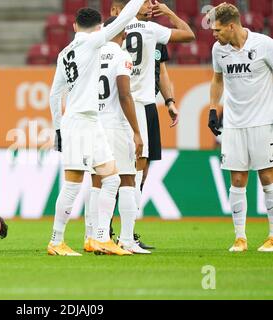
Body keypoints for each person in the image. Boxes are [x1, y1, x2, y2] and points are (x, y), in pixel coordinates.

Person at [48, 0, 145, 256]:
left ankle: (99, 237)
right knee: (73, 183)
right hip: (80, 122)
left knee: (111, 178)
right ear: (100, 27)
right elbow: (124, 20)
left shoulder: (64, 53)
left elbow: (54, 94)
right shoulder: (92, 42)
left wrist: (58, 128)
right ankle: (56, 241)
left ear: (73, 25)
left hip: (89, 122)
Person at [110, 0, 194, 247]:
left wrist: (169, 100)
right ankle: (124, 235)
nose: (151, 6)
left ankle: (118, 232)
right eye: (146, 2)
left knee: (131, 174)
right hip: (139, 105)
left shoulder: (109, 32)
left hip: (128, 105)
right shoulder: (152, 29)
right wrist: (168, 12)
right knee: (133, 174)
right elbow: (189, 35)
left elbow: (161, 70)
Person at [208, 3, 273, 252]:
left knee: (267, 176)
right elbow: (217, 78)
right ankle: (240, 238)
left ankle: (272, 236)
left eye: (218, 29)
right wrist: (213, 108)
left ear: (232, 26)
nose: (214, 34)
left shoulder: (264, 44)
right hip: (234, 123)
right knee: (237, 179)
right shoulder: (218, 49)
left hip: (262, 121)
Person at [83, 16, 149, 254]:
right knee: (128, 180)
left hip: (92, 125)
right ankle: (126, 239)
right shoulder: (122, 56)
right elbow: (124, 95)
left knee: (97, 182)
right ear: (121, 32)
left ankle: (91, 237)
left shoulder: (89, 54)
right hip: (114, 126)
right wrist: (137, 131)